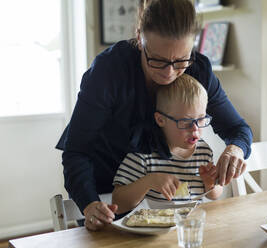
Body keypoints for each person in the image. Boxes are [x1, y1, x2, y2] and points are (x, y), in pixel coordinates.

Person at [56, 0, 252, 231]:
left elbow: (237, 129)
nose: (169, 72)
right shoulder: (108, 71)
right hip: (107, 194)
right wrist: (89, 204)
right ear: (139, 38)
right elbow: (77, 151)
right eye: (157, 60)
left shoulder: (200, 69)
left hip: (168, 205)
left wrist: (235, 149)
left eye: (181, 61)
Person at [112, 74, 223, 214]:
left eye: (201, 120)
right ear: (160, 120)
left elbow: (214, 195)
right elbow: (118, 203)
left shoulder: (203, 151)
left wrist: (210, 183)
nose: (195, 129)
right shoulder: (144, 154)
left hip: (188, 228)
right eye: (186, 122)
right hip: (152, 229)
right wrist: (148, 181)